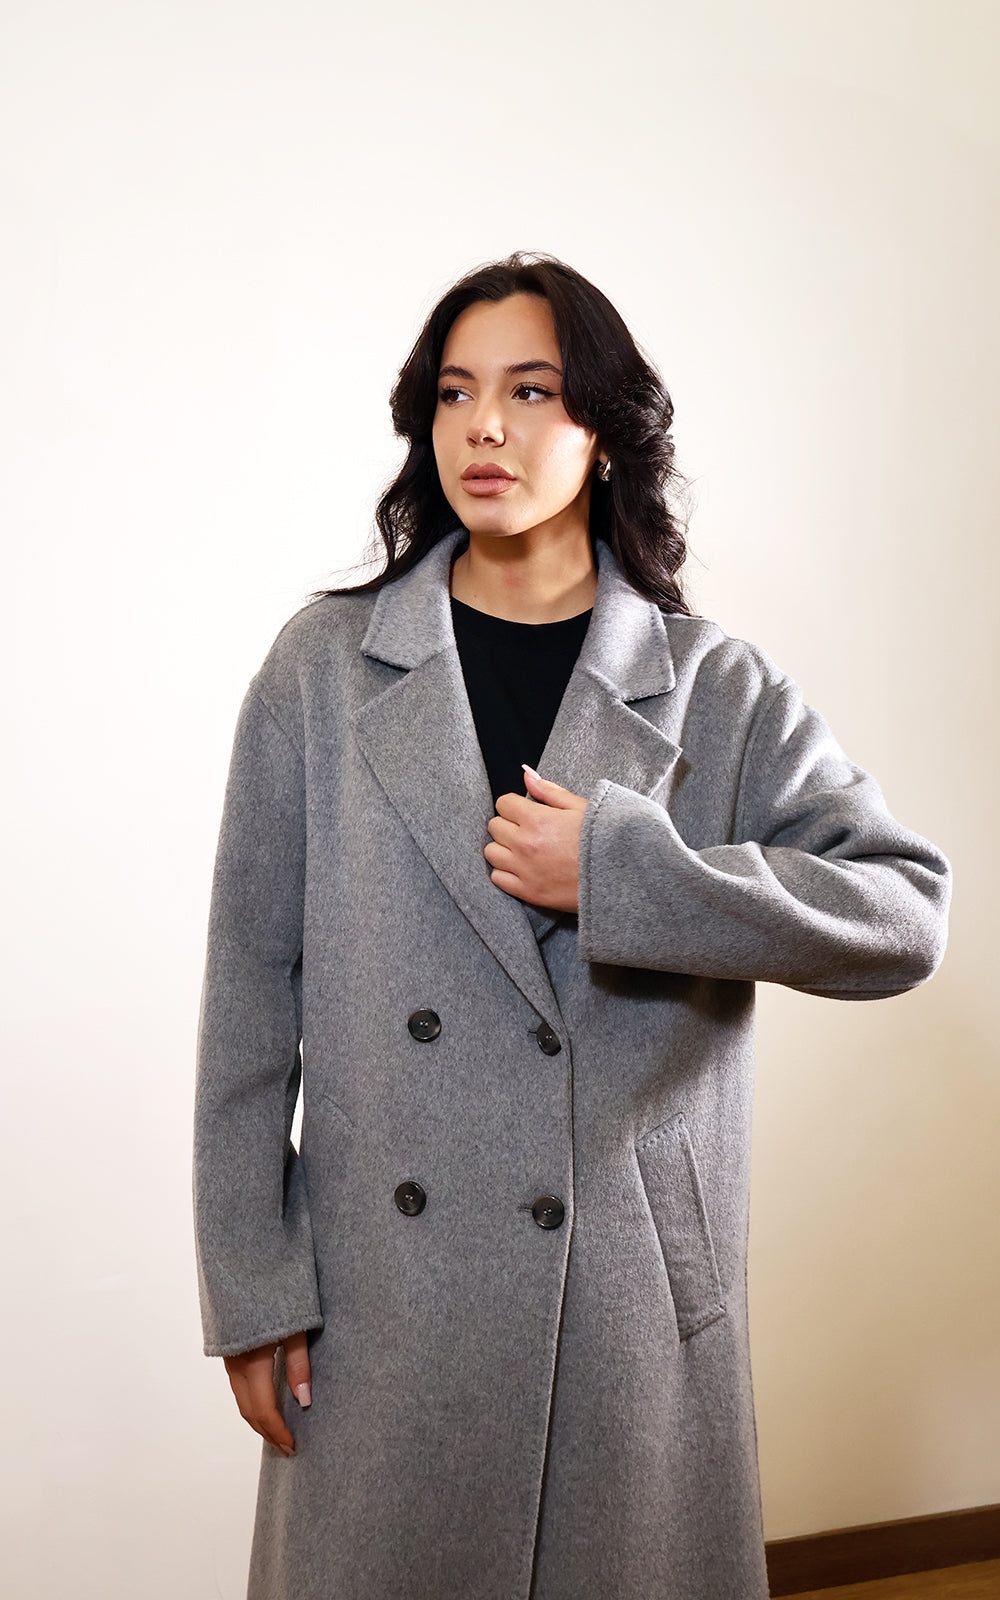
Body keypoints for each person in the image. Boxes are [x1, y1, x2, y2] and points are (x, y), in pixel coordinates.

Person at [192, 251, 952, 1600]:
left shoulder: (714, 685)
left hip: (620, 1302)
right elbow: (250, 993)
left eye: (532, 391)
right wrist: (253, 1287)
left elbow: (903, 912)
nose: (486, 426)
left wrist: (626, 877)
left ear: (602, 430)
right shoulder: (323, 670)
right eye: (456, 393)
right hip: (381, 1297)